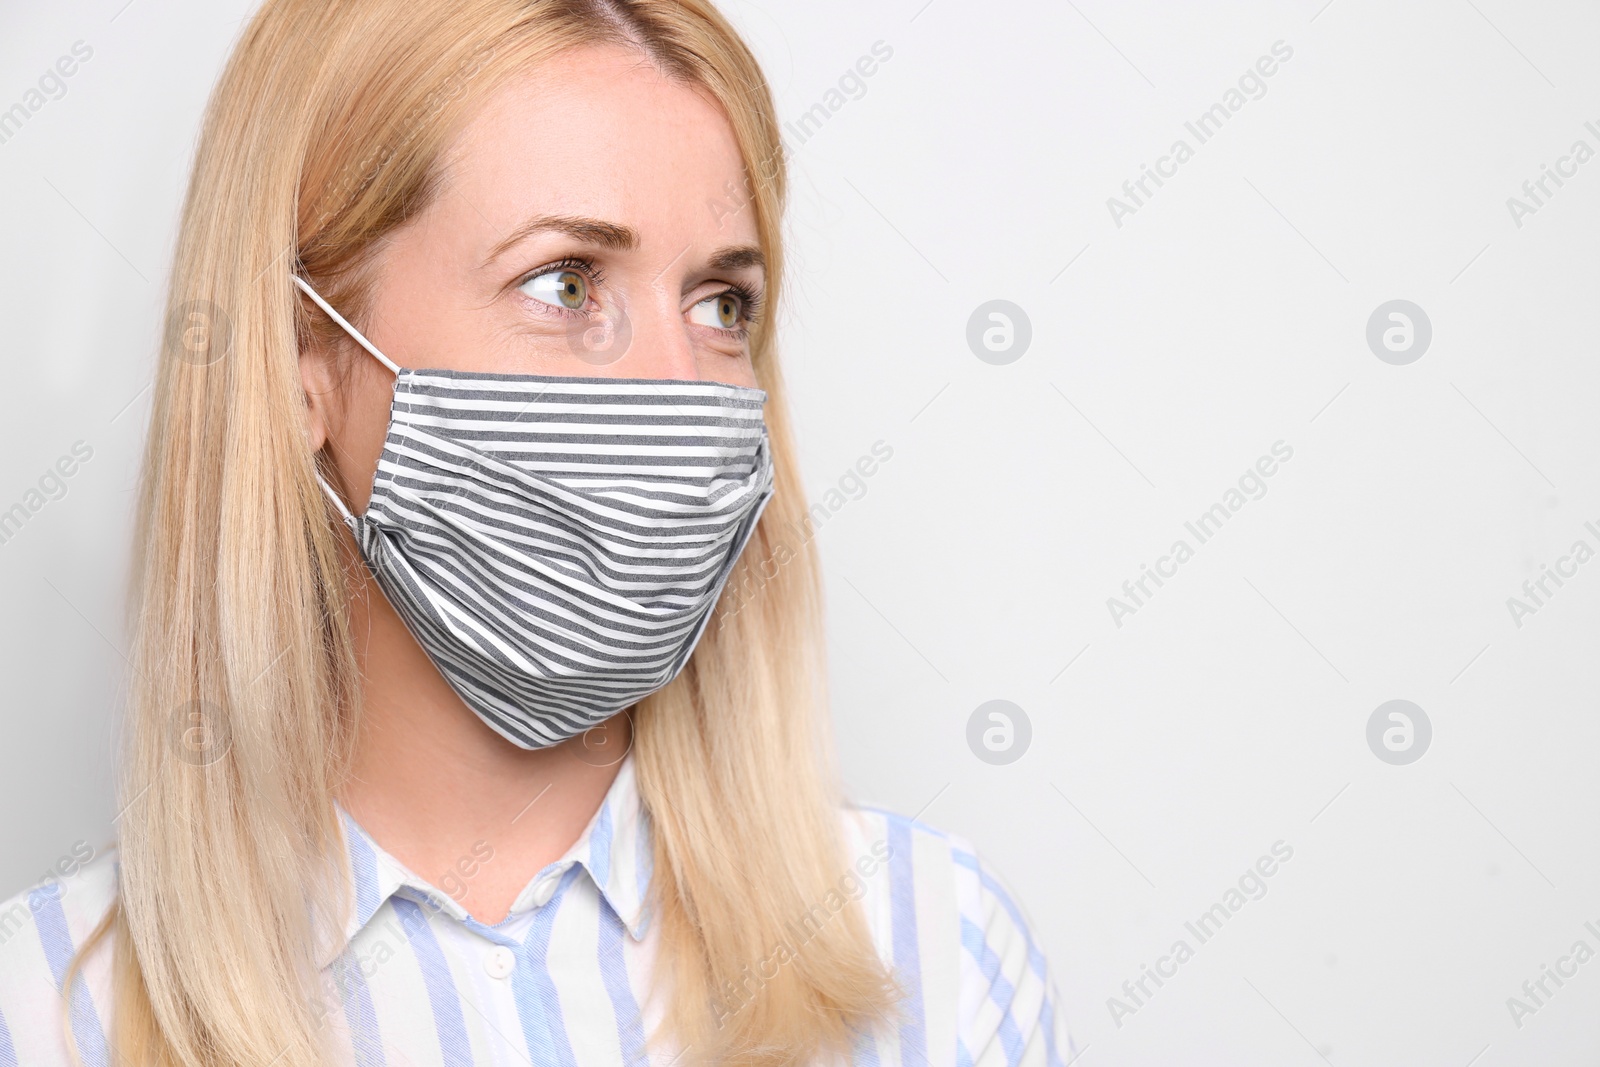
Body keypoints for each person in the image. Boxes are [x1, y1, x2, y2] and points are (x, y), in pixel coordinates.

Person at [0, 1, 1076, 1064]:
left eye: (721, 304)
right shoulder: (44, 1009)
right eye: (567, 283)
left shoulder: (937, 948)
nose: (676, 391)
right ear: (302, 364)